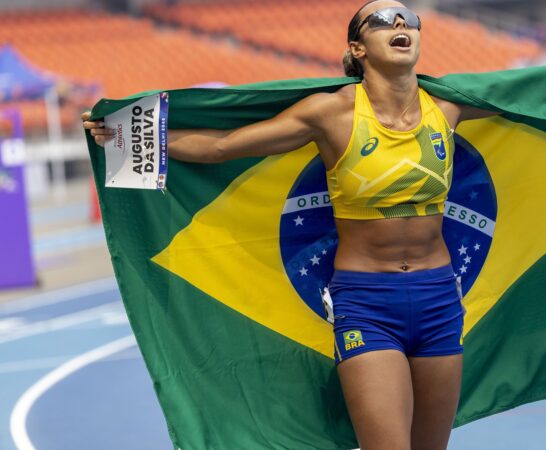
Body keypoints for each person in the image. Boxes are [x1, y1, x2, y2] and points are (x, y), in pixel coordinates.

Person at [83, 1, 495, 448]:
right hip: (367, 305)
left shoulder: (448, 109)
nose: (399, 24)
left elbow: (535, 99)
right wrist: (126, 135)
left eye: (408, 19)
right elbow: (224, 147)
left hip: (440, 300)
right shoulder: (329, 113)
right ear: (357, 47)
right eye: (380, 20)